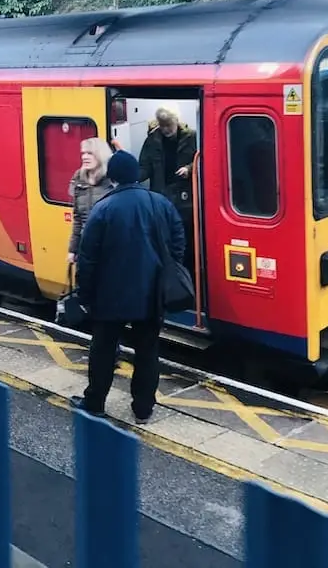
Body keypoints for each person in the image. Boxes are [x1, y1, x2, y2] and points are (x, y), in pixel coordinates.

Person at [70, 150, 185, 424]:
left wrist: (84, 294)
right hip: (151, 293)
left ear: (113, 176)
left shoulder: (103, 208)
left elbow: (88, 258)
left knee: (104, 350)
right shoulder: (161, 203)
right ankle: (143, 409)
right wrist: (167, 269)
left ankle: (95, 402)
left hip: (111, 296)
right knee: (148, 351)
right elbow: (178, 240)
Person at [138, 107, 197, 270]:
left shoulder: (191, 136)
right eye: (162, 126)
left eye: (169, 125)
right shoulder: (152, 140)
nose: (166, 130)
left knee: (185, 238)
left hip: (185, 197)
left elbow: (203, 160)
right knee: (163, 237)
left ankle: (186, 271)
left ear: (176, 121)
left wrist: (190, 169)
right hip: (160, 195)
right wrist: (132, 178)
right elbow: (145, 166)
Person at [66, 137, 115, 263]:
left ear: (101, 155)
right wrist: (73, 249)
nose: (84, 157)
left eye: (90, 153)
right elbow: (77, 218)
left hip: (109, 247)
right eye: (83, 153)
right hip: (86, 246)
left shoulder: (112, 180)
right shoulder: (79, 178)